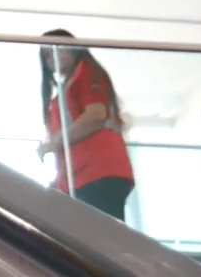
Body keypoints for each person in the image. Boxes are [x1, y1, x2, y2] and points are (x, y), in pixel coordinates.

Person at [37, 28, 135, 220]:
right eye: (47, 54)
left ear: (73, 48)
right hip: (81, 178)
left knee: (101, 239)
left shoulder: (86, 71)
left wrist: (53, 143)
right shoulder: (63, 95)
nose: (51, 58)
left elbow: (96, 115)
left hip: (98, 173)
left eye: (57, 50)